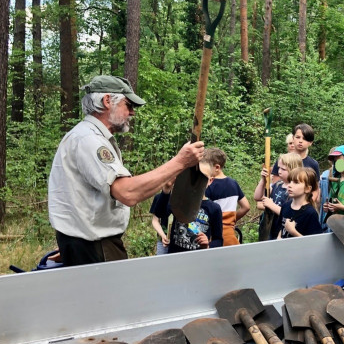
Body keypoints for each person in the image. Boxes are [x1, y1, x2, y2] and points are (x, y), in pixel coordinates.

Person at [48, 75, 204, 267]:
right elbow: (128, 193)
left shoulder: (83, 136)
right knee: (111, 298)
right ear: (107, 101)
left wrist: (72, 243)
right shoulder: (89, 140)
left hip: (86, 244)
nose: (132, 113)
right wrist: (180, 162)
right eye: (128, 105)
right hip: (96, 246)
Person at [153, 159, 223, 253]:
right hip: (175, 257)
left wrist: (208, 245)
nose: (198, 181)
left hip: (199, 259)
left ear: (210, 180)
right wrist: (166, 189)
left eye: (203, 177)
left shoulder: (214, 208)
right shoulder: (179, 201)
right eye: (195, 176)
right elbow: (160, 213)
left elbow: (219, 240)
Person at [204, 148, 251, 245]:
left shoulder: (209, 186)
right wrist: (231, 221)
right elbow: (246, 206)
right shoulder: (233, 183)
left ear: (216, 167)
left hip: (214, 236)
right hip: (230, 236)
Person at [254, 152, 303, 240]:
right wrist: (263, 180)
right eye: (279, 168)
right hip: (270, 228)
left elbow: (290, 214)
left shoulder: (294, 191)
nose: (279, 171)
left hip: (283, 232)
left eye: (283, 169)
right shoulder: (277, 185)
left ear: (294, 170)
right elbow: (257, 197)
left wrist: (271, 205)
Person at [278, 167, 322, 238]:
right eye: (290, 181)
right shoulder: (285, 206)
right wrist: (278, 238)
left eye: (296, 182)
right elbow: (281, 227)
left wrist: (293, 231)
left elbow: (314, 243)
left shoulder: (310, 213)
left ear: (307, 189)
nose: (289, 185)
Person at [150, 179, 174, 255]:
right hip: (163, 241)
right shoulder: (159, 197)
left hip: (179, 242)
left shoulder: (185, 200)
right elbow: (155, 220)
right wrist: (163, 236)